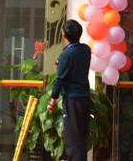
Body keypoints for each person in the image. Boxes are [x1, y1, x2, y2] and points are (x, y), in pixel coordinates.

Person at [47, 19, 91, 161]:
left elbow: (59, 79)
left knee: (73, 142)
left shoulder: (66, 55)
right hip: (84, 99)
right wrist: (62, 63)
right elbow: (76, 65)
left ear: (64, 34)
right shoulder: (86, 50)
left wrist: (52, 101)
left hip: (72, 101)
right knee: (81, 139)